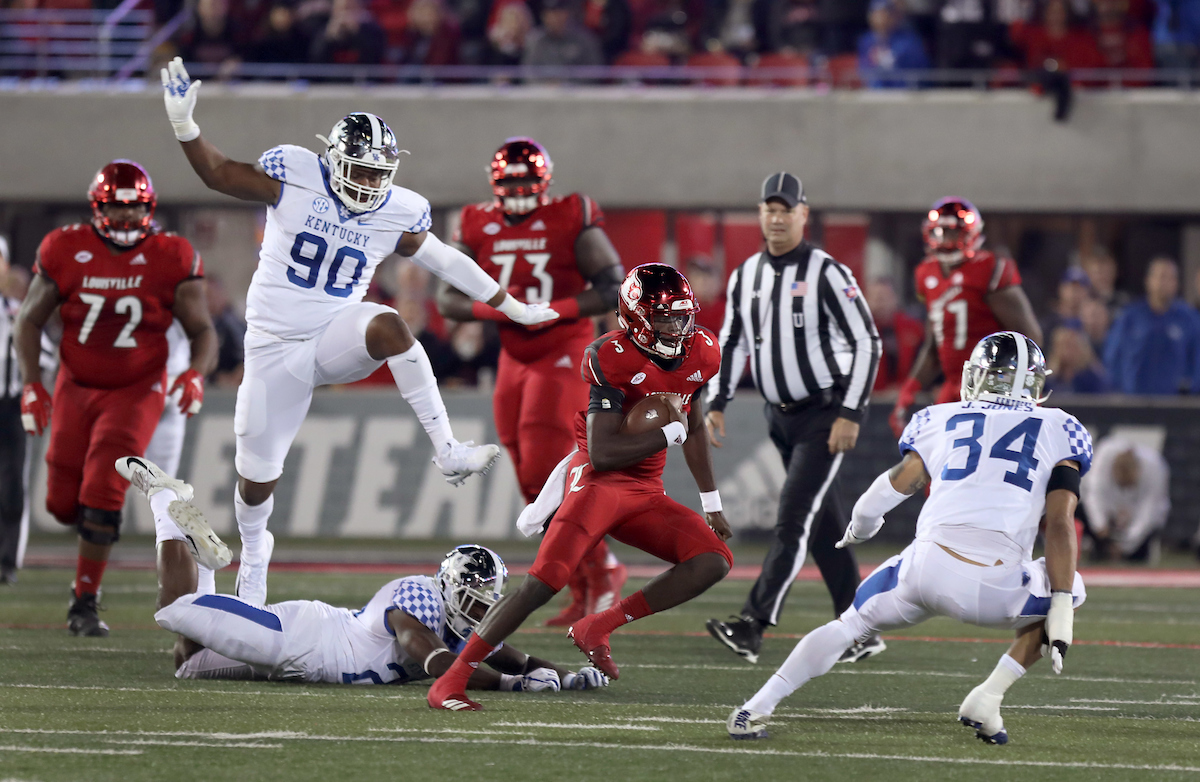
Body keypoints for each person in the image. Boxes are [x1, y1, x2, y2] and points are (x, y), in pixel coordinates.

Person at [160, 57, 558, 606]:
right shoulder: (294, 175)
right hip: (272, 346)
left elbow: (448, 263)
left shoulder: (397, 210)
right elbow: (218, 172)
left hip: (333, 332)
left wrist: (510, 304)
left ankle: (447, 451)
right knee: (255, 480)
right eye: (363, 171)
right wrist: (186, 126)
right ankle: (254, 554)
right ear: (334, 159)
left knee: (391, 326)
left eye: (379, 174)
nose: (372, 183)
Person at [728, 331, 1090, 744]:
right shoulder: (1061, 428)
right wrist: (1061, 603)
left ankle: (755, 706)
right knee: (1070, 585)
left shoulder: (940, 416)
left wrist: (861, 526)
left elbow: (895, 486)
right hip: (996, 586)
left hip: (923, 571)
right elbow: (1060, 522)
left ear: (979, 375)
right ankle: (988, 697)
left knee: (850, 624)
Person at [426, 264, 734, 712]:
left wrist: (711, 502)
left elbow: (695, 424)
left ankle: (598, 626)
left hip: (645, 489)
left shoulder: (702, 350)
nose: (677, 325)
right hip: (598, 480)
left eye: (681, 314)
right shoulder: (610, 356)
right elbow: (605, 452)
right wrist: (669, 434)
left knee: (713, 561)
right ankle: (450, 682)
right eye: (664, 316)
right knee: (544, 581)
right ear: (636, 317)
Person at [117, 455, 609, 692]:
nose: (480, 609)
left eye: (486, 599)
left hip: (304, 664)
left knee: (187, 661)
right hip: (303, 640)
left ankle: (218, 559)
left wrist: (567, 676)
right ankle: (167, 500)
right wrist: (512, 688)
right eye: (475, 597)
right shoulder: (417, 597)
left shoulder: (459, 625)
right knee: (174, 612)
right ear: (451, 587)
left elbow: (515, 659)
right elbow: (436, 660)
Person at [14, 159, 218, 636]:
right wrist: (31, 381)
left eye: (135, 210)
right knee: (63, 503)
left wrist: (194, 373)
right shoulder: (65, 247)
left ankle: (84, 601)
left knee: (104, 487)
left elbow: (203, 329)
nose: (126, 220)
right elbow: (28, 319)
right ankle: (87, 555)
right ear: (97, 208)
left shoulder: (171, 254)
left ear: (149, 209)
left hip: (136, 388)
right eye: (116, 210)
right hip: (75, 384)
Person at [437, 137, 627, 628]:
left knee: (546, 465)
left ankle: (603, 566)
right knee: (526, 472)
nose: (519, 193)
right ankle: (586, 579)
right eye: (510, 184)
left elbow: (613, 285)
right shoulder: (477, 221)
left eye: (527, 184)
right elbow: (447, 299)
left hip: (564, 348)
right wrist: (505, 309)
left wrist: (553, 310)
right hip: (514, 355)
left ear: (544, 184)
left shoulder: (571, 214)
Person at [704, 172, 882, 666]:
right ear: (760, 214)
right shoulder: (746, 274)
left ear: (804, 214)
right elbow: (733, 340)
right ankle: (862, 628)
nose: (777, 218)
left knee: (793, 520)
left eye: (787, 210)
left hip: (824, 413)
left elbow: (868, 340)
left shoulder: (827, 271)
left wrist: (851, 411)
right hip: (778, 417)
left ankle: (753, 624)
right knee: (823, 527)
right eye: (769, 209)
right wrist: (717, 400)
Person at [891, 198, 1042, 438]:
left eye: (953, 233)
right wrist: (909, 390)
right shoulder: (925, 274)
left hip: (994, 385)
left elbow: (1031, 337)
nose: (946, 240)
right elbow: (935, 345)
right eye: (941, 233)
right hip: (953, 386)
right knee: (931, 460)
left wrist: (1009, 384)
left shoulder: (990, 268)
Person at [1103, 257, 1200, 395]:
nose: (1163, 283)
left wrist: (1191, 390)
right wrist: (1120, 390)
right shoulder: (1130, 317)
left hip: (1176, 405)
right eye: (1160, 277)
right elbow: (1112, 357)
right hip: (1134, 403)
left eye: (1169, 278)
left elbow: (1196, 359)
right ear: (1148, 280)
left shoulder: (1188, 319)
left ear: (1176, 283)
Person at [1081, 437, 1170, 563]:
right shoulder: (1102, 458)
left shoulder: (1156, 468)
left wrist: (1125, 545)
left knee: (1138, 556)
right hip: (1110, 517)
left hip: (1136, 519)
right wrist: (1101, 527)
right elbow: (1093, 495)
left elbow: (1148, 513)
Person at [856, 0, 930, 88]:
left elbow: (919, 73)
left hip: (905, 94)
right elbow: (864, 71)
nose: (880, 18)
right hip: (875, 95)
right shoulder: (866, 41)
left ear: (894, 17)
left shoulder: (910, 41)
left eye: (885, 13)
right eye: (876, 13)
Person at [1045, 325, 1110, 394]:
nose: (1067, 351)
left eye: (1071, 346)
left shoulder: (1092, 379)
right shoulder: (1048, 380)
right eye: (1063, 346)